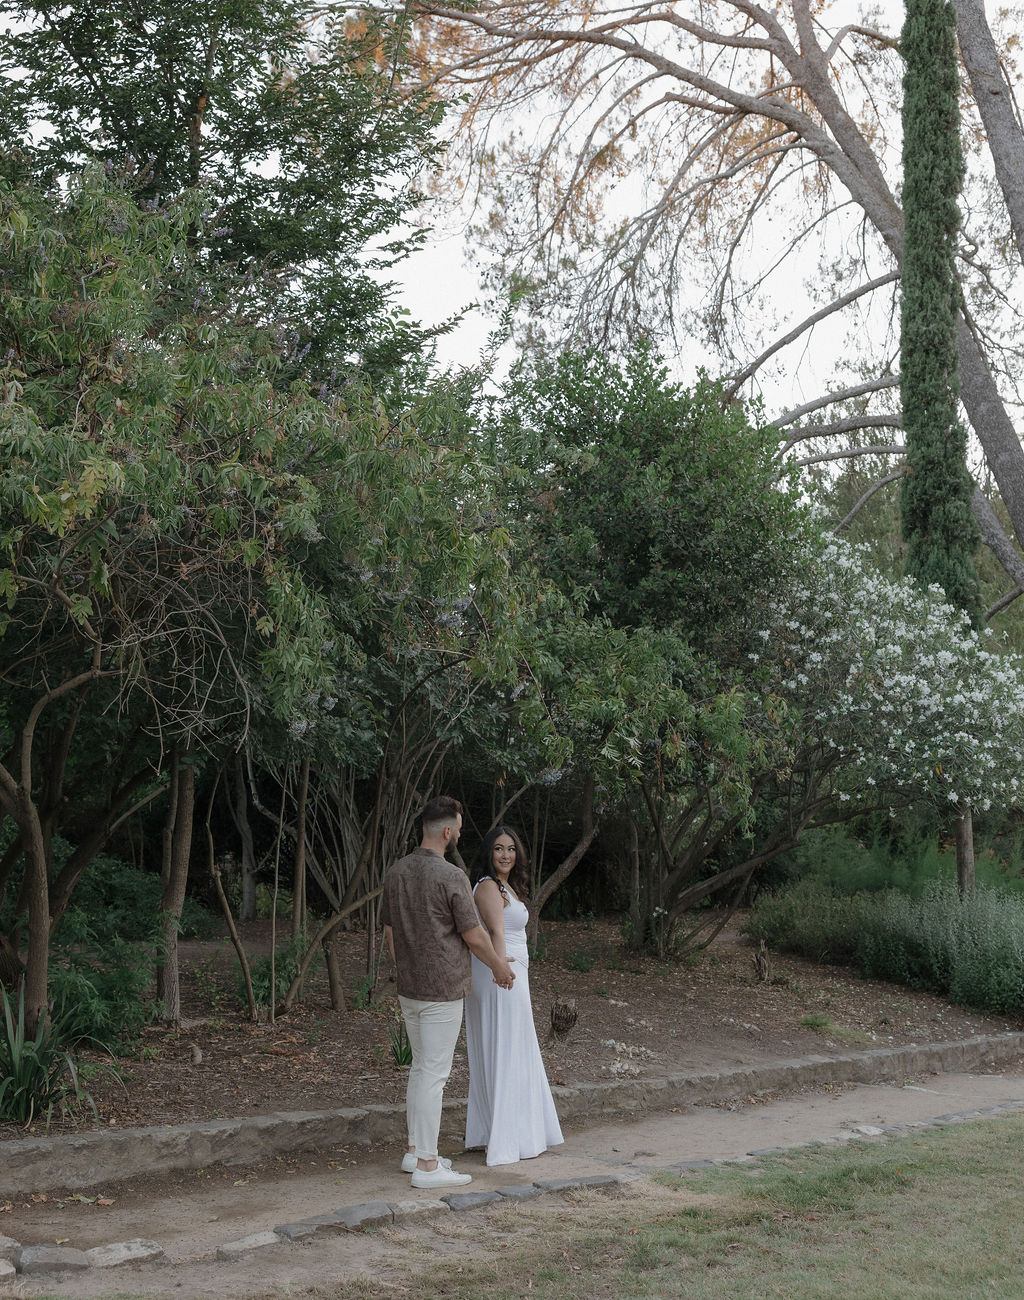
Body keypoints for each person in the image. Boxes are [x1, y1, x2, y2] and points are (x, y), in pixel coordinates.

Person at [382, 796, 515, 1189]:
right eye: (457, 827)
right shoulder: (451, 876)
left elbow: (389, 934)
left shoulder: (396, 872)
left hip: (410, 989)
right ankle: (426, 1166)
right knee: (434, 1074)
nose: (460, 833)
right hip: (441, 989)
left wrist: (404, 969)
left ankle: (414, 1151)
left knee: (422, 1069)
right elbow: (474, 936)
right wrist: (499, 967)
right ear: (445, 831)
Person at [464, 825, 563, 1166]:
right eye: (498, 849)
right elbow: (495, 930)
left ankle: (514, 1132)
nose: (505, 855)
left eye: (510, 849)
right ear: (488, 853)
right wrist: (501, 970)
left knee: (516, 1046)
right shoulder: (488, 886)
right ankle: (504, 1139)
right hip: (501, 972)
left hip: (513, 970)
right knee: (505, 1047)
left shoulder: (508, 886)